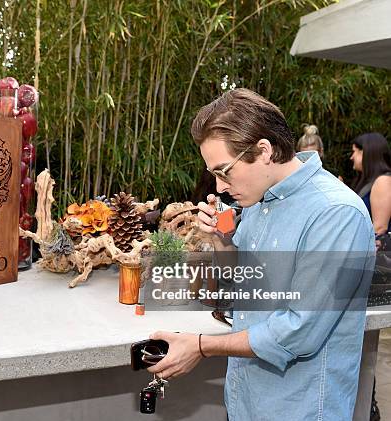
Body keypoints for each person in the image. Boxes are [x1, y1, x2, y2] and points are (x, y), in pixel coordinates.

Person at [147, 88, 375, 420]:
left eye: (224, 171)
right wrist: (221, 242)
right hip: (245, 402)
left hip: (300, 409)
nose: (220, 188)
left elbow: (299, 332)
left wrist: (200, 346)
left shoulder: (336, 213)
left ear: (264, 150)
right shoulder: (257, 199)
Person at [350, 132, 391, 247]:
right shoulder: (370, 181)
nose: (351, 157)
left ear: (365, 152)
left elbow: (379, 227)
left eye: (354, 151)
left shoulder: (383, 181)